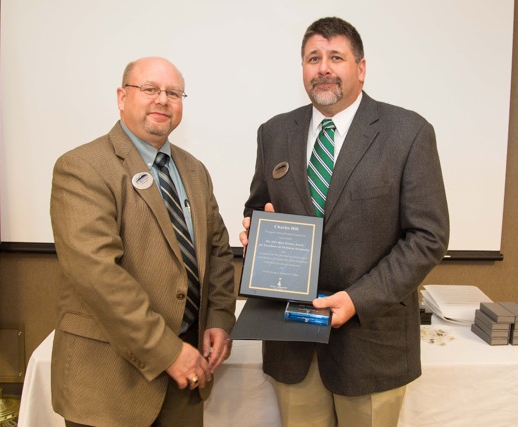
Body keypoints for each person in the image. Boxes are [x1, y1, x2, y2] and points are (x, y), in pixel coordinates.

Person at [240, 17, 449, 427]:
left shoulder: (408, 133)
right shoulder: (274, 132)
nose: (323, 68)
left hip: (370, 345)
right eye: (313, 58)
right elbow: (258, 207)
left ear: (361, 68)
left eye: (336, 57)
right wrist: (255, 234)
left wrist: (357, 299)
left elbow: (428, 237)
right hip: (292, 343)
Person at [50, 56, 236, 427]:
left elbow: (217, 251)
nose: (163, 100)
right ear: (122, 97)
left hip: (187, 374)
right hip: (109, 381)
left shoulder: (194, 171)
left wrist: (218, 318)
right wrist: (168, 352)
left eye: (173, 93)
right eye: (150, 89)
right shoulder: (83, 167)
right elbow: (98, 277)